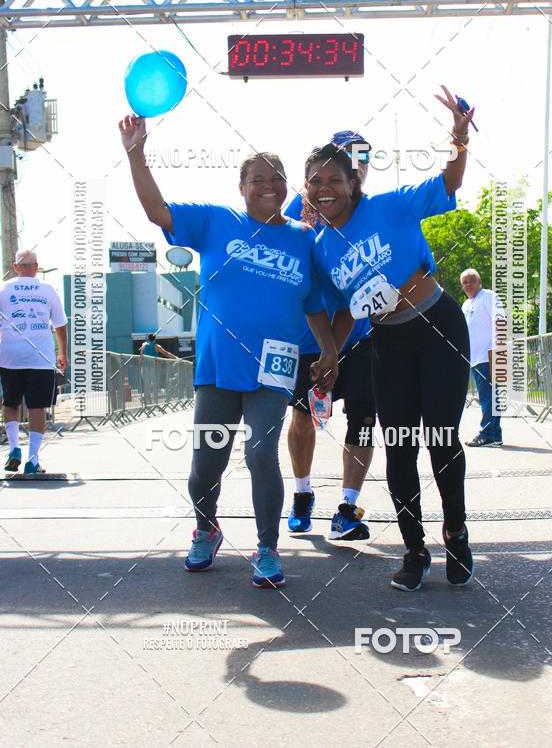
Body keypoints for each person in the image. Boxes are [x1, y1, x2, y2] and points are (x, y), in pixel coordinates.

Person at [119, 115, 338, 588]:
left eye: (275, 179)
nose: (267, 186)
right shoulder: (216, 221)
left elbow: (316, 304)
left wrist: (329, 352)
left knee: (262, 453)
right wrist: (135, 152)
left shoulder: (303, 238)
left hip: (275, 361)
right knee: (206, 462)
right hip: (218, 361)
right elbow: (157, 210)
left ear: (286, 188)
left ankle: (267, 549)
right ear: (241, 187)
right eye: (257, 179)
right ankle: (206, 527)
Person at [309, 86, 475, 591]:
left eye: (334, 179)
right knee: (398, 446)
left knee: (441, 439)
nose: (324, 189)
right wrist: (330, 353)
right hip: (389, 343)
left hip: (438, 325)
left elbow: (450, 180)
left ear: (353, 183)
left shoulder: (389, 207)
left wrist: (459, 134)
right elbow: (324, 307)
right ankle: (414, 550)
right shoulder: (319, 248)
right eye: (315, 182)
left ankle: (456, 532)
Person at [286, 131, 376, 540]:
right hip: (311, 337)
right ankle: (302, 493)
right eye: (349, 155)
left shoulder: (371, 208)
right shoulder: (305, 202)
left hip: (360, 334)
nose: (358, 163)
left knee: (363, 418)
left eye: (363, 157)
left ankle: (346, 507)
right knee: (304, 417)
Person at [1, 249, 68, 474]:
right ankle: (32, 459)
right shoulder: (48, 290)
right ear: (36, 267)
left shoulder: (4, 288)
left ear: (16, 267)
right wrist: (63, 353)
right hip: (40, 356)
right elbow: (60, 324)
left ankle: (13, 449)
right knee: (37, 406)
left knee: (10, 403)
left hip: (10, 356)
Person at [460, 268, 505, 447]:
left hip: (490, 355)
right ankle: (495, 434)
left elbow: (500, 320)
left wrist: (499, 348)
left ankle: (487, 434)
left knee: (489, 397)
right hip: (475, 358)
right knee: (487, 396)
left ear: (479, 282)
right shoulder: (466, 304)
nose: (468, 285)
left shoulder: (488, 296)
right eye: (464, 282)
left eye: (471, 280)